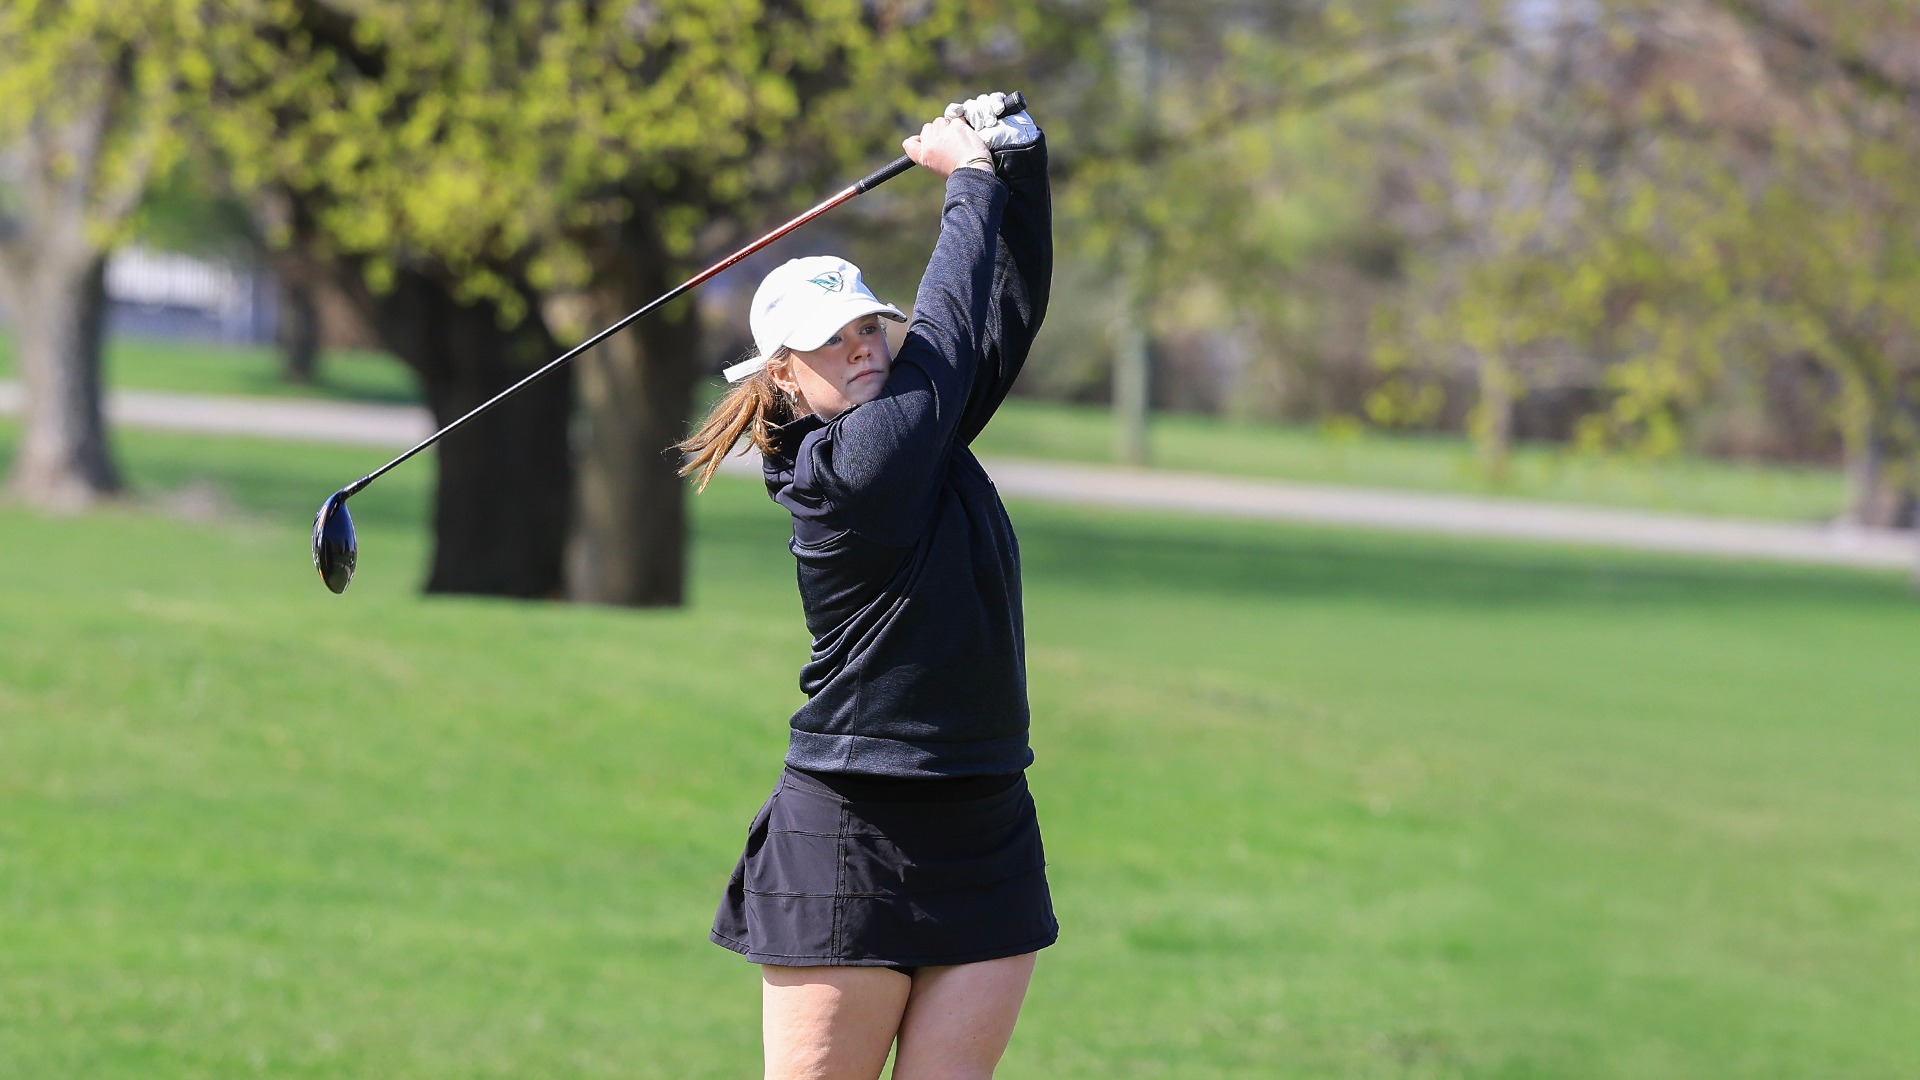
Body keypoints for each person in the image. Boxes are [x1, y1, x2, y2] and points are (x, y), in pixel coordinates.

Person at [675, 92, 1054, 1080]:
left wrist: (1020, 165)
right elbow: (947, 333)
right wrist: (967, 184)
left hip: (985, 816)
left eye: (865, 324)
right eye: (829, 340)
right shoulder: (843, 474)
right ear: (783, 379)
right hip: (854, 827)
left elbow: (997, 318)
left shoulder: (918, 434)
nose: (861, 343)